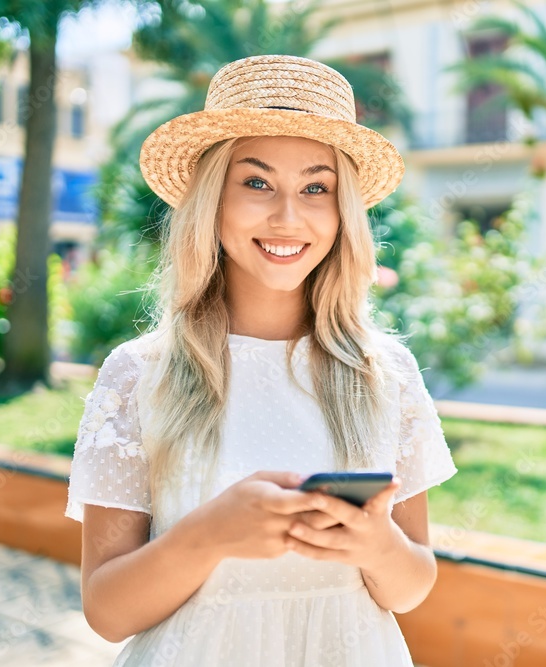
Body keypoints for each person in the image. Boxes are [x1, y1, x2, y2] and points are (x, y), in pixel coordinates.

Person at [63, 54, 458, 666]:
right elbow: (108, 613)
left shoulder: (387, 375)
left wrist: (376, 544)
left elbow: (411, 589)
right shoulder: (140, 375)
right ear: (211, 199)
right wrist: (209, 534)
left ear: (341, 210)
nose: (288, 216)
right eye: (256, 182)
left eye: (315, 187)